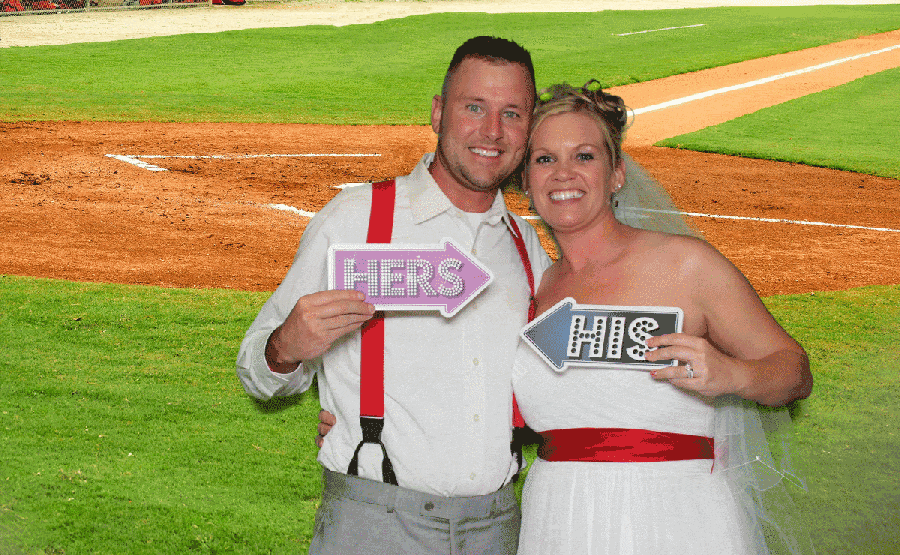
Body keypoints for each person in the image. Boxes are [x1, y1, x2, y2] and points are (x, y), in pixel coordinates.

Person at [236, 36, 551, 555]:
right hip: (374, 524)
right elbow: (256, 369)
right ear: (437, 112)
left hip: (497, 526)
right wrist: (285, 347)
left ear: (528, 129)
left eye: (511, 113)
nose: (492, 132)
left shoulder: (525, 246)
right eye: (474, 107)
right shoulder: (356, 218)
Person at [512, 81, 815, 554]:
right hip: (558, 517)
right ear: (526, 181)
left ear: (617, 174)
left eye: (585, 156)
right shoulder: (530, 285)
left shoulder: (686, 264)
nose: (563, 174)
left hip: (677, 518)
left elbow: (793, 370)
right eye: (544, 159)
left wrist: (735, 373)